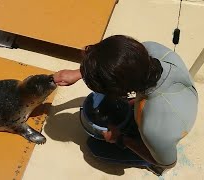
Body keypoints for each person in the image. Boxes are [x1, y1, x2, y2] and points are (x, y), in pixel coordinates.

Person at [53, 35, 198, 175]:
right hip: (179, 97)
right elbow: (117, 59)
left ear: (121, 92)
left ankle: (148, 166)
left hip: (167, 132)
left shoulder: (153, 128)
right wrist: (79, 73)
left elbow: (168, 163)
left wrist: (121, 139)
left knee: (95, 147)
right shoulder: (151, 49)